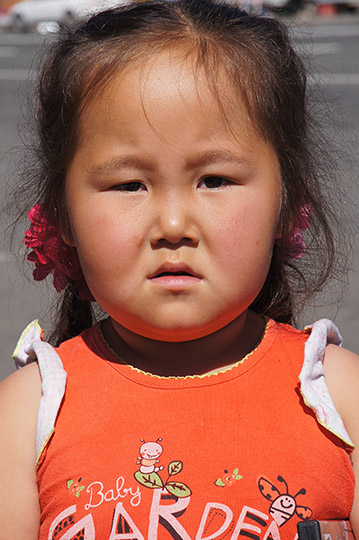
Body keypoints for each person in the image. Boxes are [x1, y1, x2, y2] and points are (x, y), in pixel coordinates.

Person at [0, 0, 358, 538]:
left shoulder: (341, 395)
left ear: (287, 203)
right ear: (62, 215)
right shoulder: (26, 414)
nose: (172, 223)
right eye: (128, 185)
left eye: (214, 180)